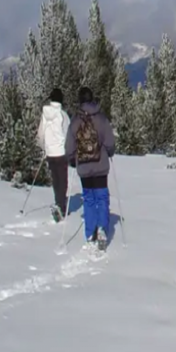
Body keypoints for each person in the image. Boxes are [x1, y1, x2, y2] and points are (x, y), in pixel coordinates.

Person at [65, 86, 116, 249]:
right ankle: (102, 228)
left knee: (88, 198)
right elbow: (110, 142)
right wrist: (109, 151)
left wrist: (72, 160)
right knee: (102, 197)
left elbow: (69, 147)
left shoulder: (75, 121)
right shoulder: (101, 118)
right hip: (101, 165)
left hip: (84, 167)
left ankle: (90, 232)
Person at [36, 88, 70, 223]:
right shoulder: (63, 115)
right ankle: (61, 205)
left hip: (50, 152)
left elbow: (40, 133)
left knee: (55, 179)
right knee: (63, 180)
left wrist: (44, 147)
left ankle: (58, 202)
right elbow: (68, 134)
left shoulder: (45, 114)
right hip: (61, 152)